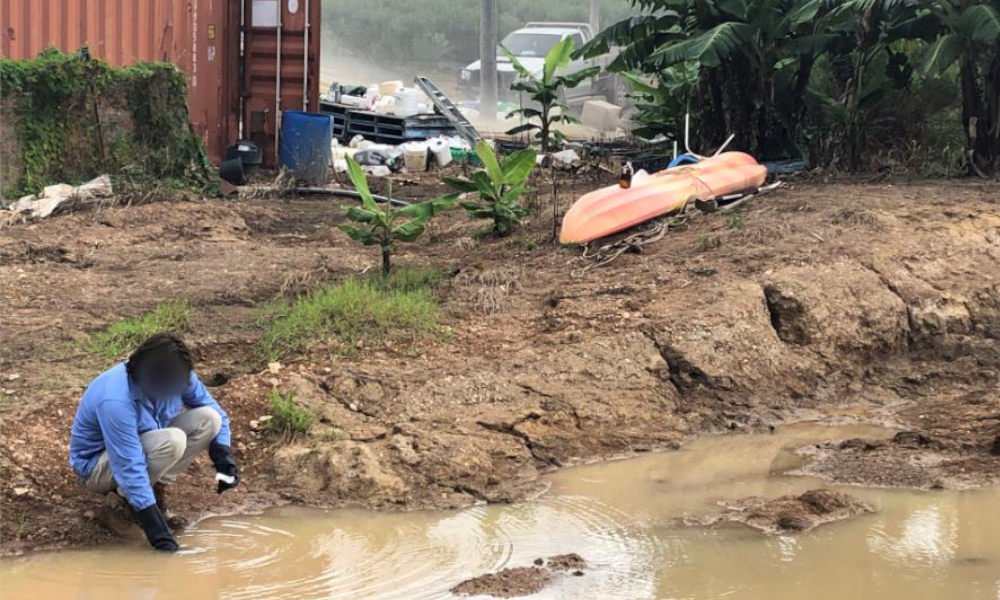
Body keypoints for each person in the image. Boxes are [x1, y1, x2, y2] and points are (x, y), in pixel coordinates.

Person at [69, 332, 240, 551]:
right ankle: (119, 509)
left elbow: (216, 411)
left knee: (209, 419)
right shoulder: (115, 400)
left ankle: (155, 492)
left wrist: (223, 457)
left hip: (145, 445)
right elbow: (128, 465)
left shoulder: (177, 374)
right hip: (99, 467)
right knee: (173, 440)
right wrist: (158, 535)